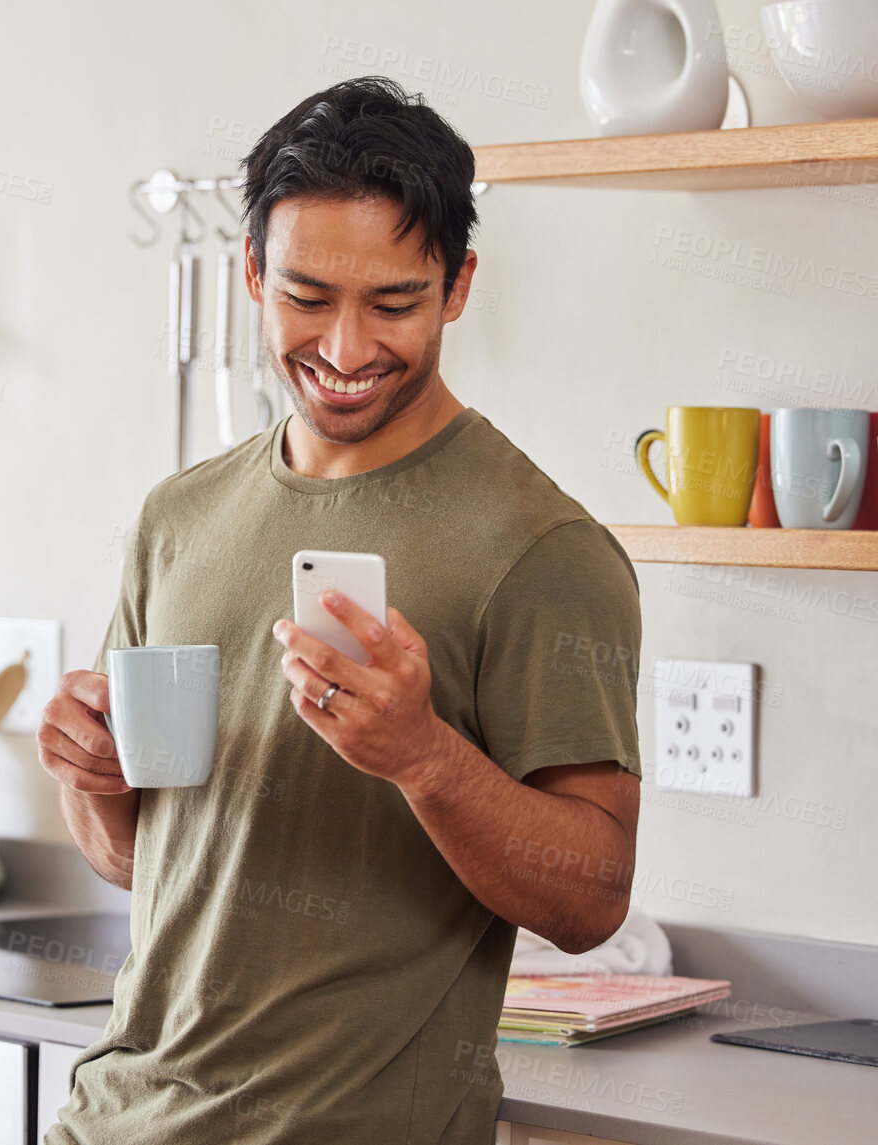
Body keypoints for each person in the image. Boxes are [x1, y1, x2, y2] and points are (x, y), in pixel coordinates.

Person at [39, 76, 642, 1145]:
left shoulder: (541, 548)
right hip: (117, 1120)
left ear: (456, 285)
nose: (347, 347)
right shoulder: (177, 516)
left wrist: (422, 755)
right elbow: (147, 858)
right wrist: (87, 776)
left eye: (393, 303)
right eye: (307, 298)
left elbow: (588, 900)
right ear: (250, 274)